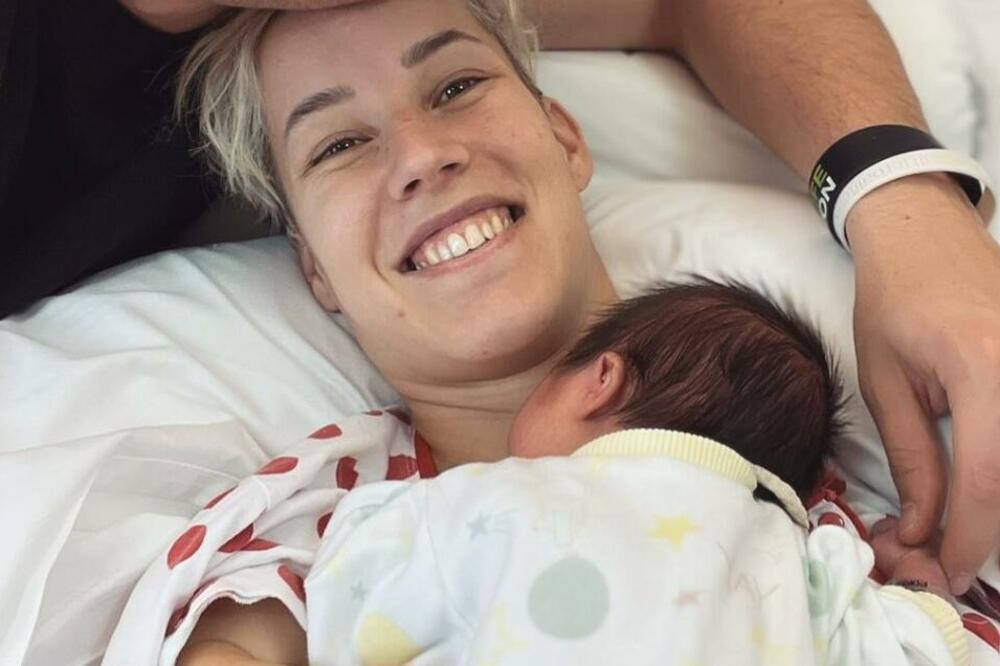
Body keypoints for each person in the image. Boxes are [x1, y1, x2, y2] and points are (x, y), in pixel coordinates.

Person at [155, 0, 1000, 600]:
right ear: (314, 270)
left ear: (565, 138)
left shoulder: (842, 517)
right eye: (340, 144)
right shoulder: (321, 530)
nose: (420, 156)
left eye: (455, 87)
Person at [114, 281, 971, 665]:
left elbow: (352, 584)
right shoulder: (812, 564)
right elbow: (929, 648)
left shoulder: (484, 504)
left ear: (601, 379)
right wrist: (918, 586)